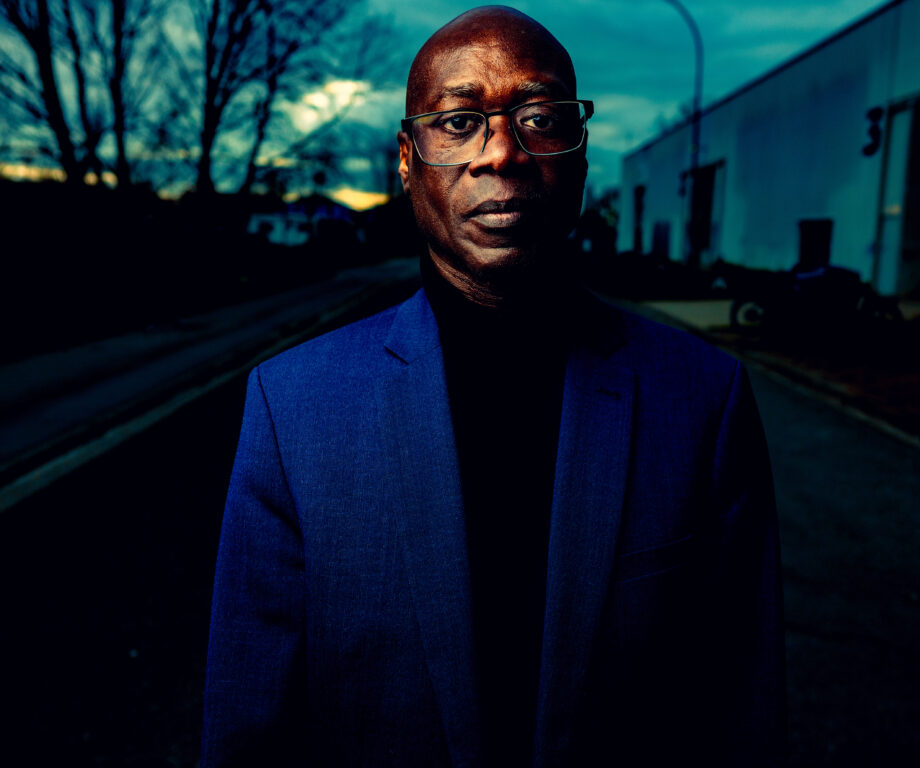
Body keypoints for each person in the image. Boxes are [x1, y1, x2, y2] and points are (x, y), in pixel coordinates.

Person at [202, 6, 784, 767]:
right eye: (458, 122)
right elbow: (247, 729)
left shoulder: (704, 398)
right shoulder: (292, 407)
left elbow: (742, 715)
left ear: (580, 155)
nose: (503, 152)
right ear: (407, 160)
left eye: (540, 117)